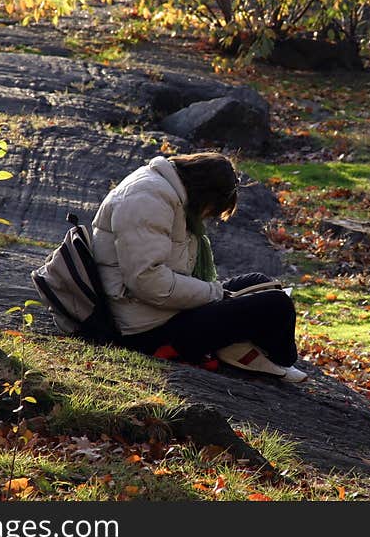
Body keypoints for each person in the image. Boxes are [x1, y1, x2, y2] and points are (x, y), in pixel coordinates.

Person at [90, 152, 307, 382]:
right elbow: (147, 280)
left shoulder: (166, 191)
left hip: (160, 310)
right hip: (145, 329)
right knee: (277, 304)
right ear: (206, 195)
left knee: (259, 282)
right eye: (211, 211)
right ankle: (277, 358)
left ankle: (239, 346)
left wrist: (213, 295)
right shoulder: (147, 200)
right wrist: (212, 293)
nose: (206, 218)